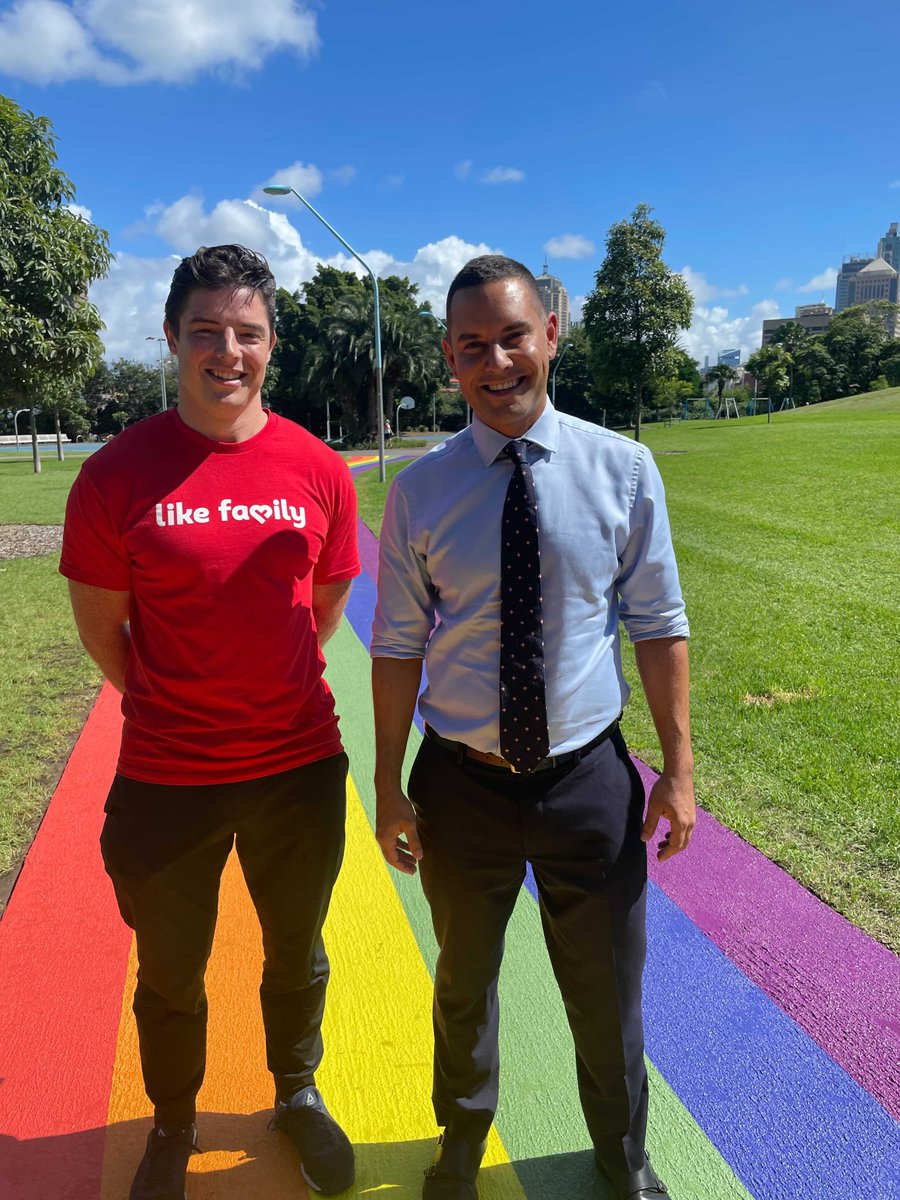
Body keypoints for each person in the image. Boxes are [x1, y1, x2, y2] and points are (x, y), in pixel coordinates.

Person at [371, 256, 695, 1200]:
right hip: (460, 784)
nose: (498, 361)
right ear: (448, 359)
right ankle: (461, 1146)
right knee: (462, 983)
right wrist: (389, 783)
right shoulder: (420, 492)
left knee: (605, 994)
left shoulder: (623, 470)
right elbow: (394, 645)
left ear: (552, 333)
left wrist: (676, 769)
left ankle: (622, 1157)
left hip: (586, 781)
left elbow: (660, 623)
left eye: (514, 335)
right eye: (473, 345)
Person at [60, 245, 360, 1200]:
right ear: (172, 337)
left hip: (297, 768)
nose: (227, 351)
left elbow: (322, 608)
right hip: (165, 776)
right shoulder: (114, 475)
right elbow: (106, 635)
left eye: (248, 333)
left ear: (271, 343)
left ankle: (298, 1094)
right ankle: (173, 1124)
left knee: (296, 951)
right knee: (170, 973)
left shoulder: (317, 469)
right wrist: (177, 702)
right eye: (206, 332)